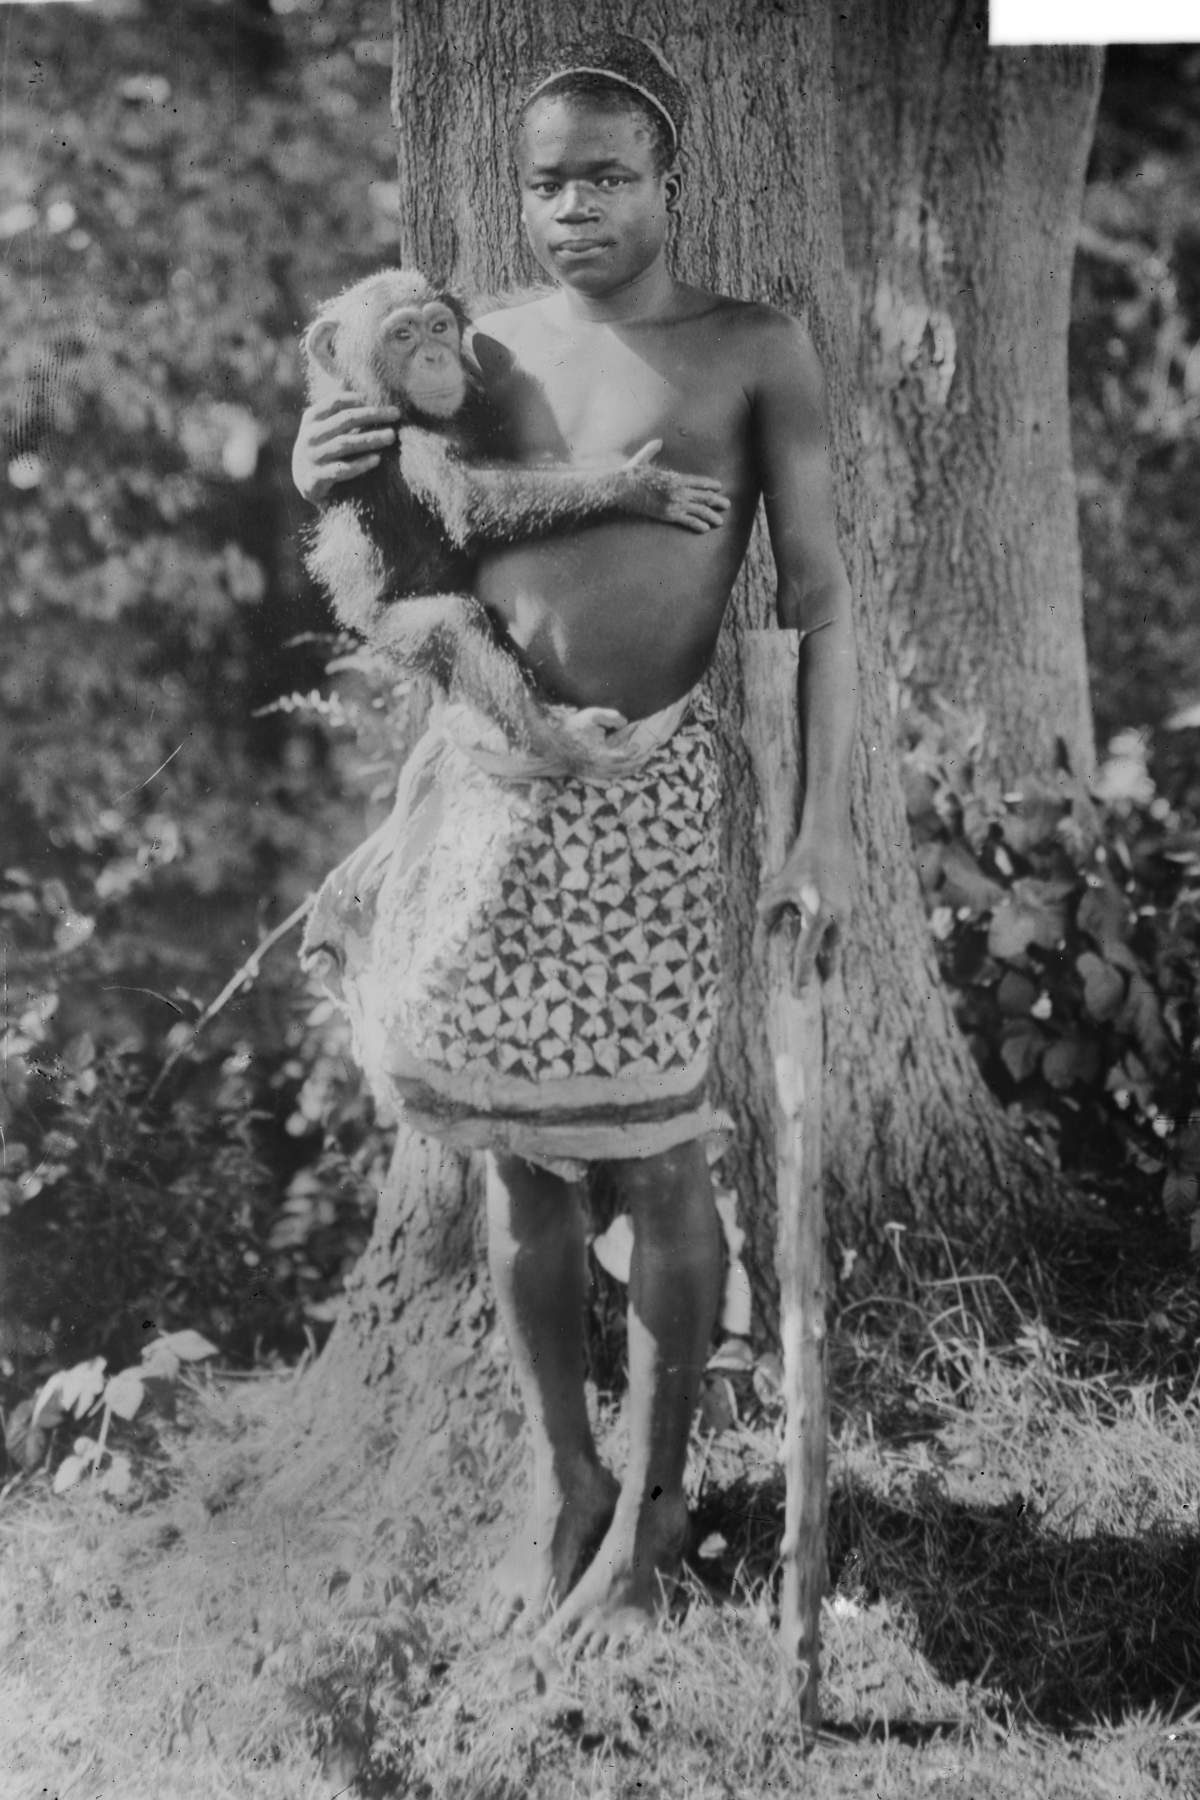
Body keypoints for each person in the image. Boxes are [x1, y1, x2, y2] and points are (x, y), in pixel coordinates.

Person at [292, 33, 858, 1662]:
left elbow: (818, 602)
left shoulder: (753, 349)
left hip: (657, 798)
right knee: (524, 1164)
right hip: (497, 784)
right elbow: (383, 490)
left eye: (607, 176)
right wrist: (330, 454)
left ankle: (661, 1512)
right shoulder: (483, 346)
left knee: (660, 1155)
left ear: (668, 179)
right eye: (547, 183)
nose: (574, 210)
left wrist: (821, 832)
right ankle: (566, 1481)